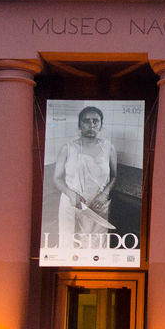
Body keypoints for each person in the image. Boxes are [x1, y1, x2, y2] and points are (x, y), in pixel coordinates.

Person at [53, 105, 117, 247]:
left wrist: (104, 194)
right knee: (69, 243)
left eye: (95, 121)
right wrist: (70, 193)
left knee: (95, 245)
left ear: (101, 125)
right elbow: (56, 178)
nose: (91, 125)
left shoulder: (108, 147)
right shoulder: (68, 147)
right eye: (86, 121)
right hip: (72, 202)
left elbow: (114, 177)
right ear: (80, 125)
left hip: (97, 205)